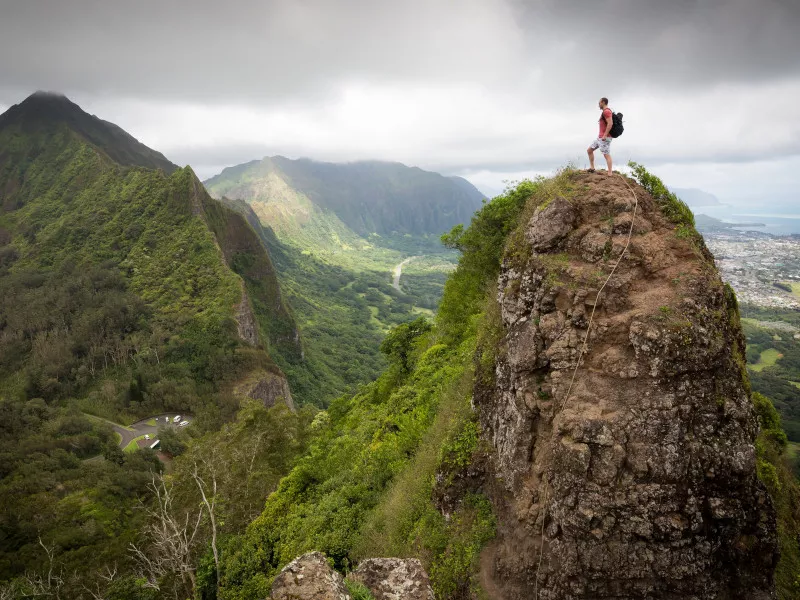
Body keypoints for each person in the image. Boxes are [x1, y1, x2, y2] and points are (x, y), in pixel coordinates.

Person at [588, 97, 613, 175]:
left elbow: (610, 123)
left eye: (599, 103)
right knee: (589, 150)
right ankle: (592, 167)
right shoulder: (604, 112)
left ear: (603, 102)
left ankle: (610, 172)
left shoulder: (607, 112)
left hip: (604, 138)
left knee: (606, 155)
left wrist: (605, 135)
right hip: (600, 137)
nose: (598, 105)